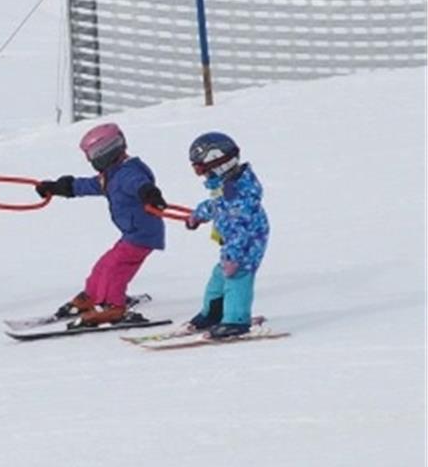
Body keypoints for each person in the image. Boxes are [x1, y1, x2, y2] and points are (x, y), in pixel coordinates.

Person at [35, 123, 166, 327]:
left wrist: (149, 194)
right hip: (132, 233)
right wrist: (60, 188)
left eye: (92, 154)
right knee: (104, 265)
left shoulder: (127, 173)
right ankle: (91, 296)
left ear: (106, 151)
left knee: (115, 268)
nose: (90, 159)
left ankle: (113, 307)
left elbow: (139, 183)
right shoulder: (112, 174)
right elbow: (89, 185)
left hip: (142, 234)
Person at [182, 132, 269, 339]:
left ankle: (236, 321)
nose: (204, 176)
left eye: (203, 170)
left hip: (247, 244)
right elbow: (216, 205)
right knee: (218, 278)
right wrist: (198, 215)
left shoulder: (238, 192)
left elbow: (241, 229)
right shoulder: (226, 186)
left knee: (238, 276)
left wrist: (233, 256)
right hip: (232, 244)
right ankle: (212, 314)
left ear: (218, 163)